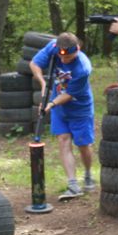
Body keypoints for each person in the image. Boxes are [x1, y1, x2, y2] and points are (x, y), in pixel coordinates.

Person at [30, 32, 96, 201]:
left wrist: (50, 105)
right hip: (59, 108)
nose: (64, 60)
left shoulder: (83, 68)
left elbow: (69, 95)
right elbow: (34, 64)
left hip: (80, 108)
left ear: (78, 49)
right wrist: (43, 83)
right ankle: (73, 184)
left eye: (69, 57)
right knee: (63, 140)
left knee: (83, 145)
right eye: (61, 57)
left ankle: (88, 173)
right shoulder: (54, 46)